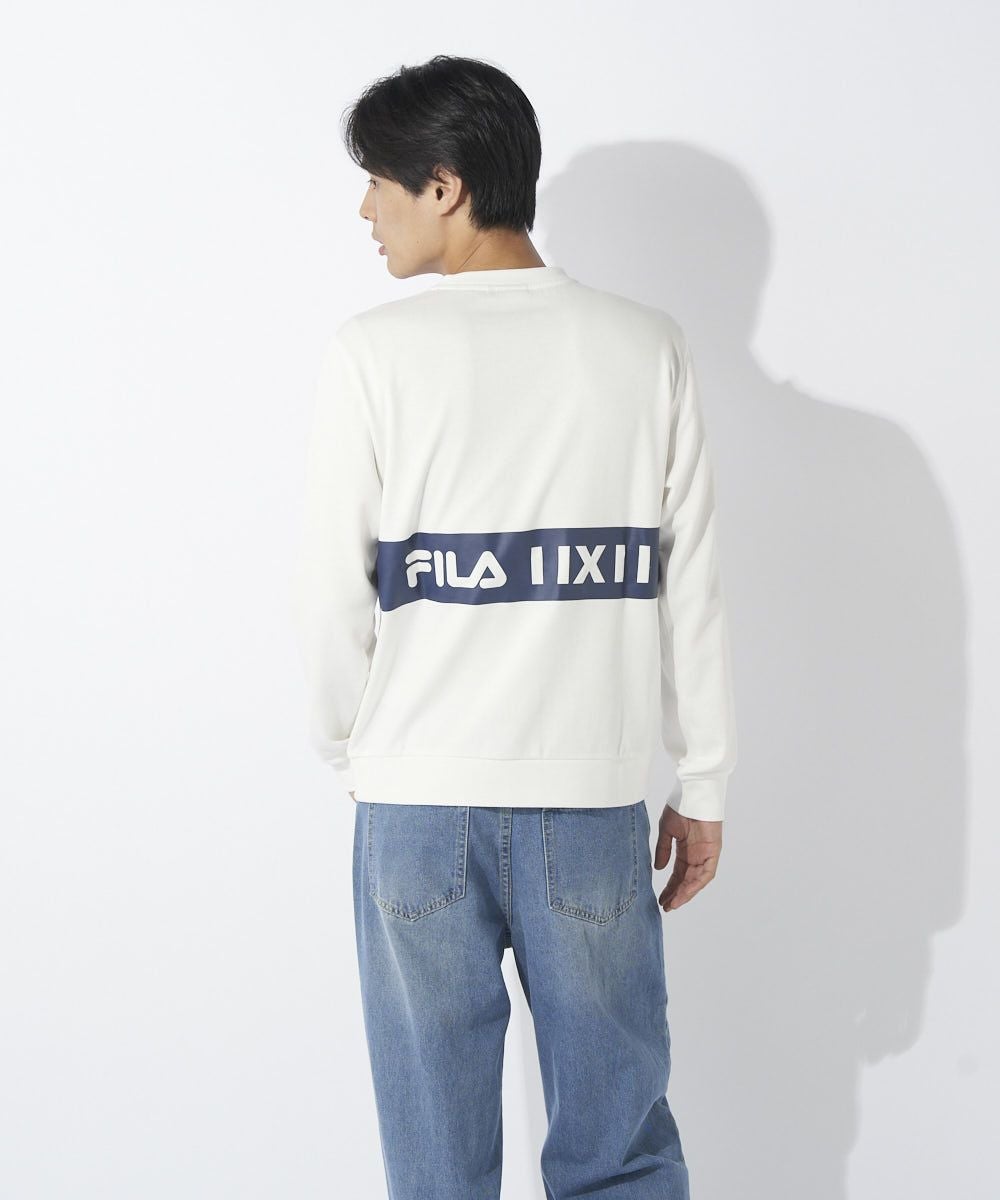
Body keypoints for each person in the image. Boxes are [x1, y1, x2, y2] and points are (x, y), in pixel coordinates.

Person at [292, 53, 737, 1200]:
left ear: (442, 186)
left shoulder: (374, 353)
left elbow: (333, 590)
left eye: (377, 181)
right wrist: (702, 779)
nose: (365, 210)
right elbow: (687, 583)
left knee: (436, 1168)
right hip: (586, 802)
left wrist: (354, 752)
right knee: (618, 1152)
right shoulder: (642, 345)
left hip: (414, 804)